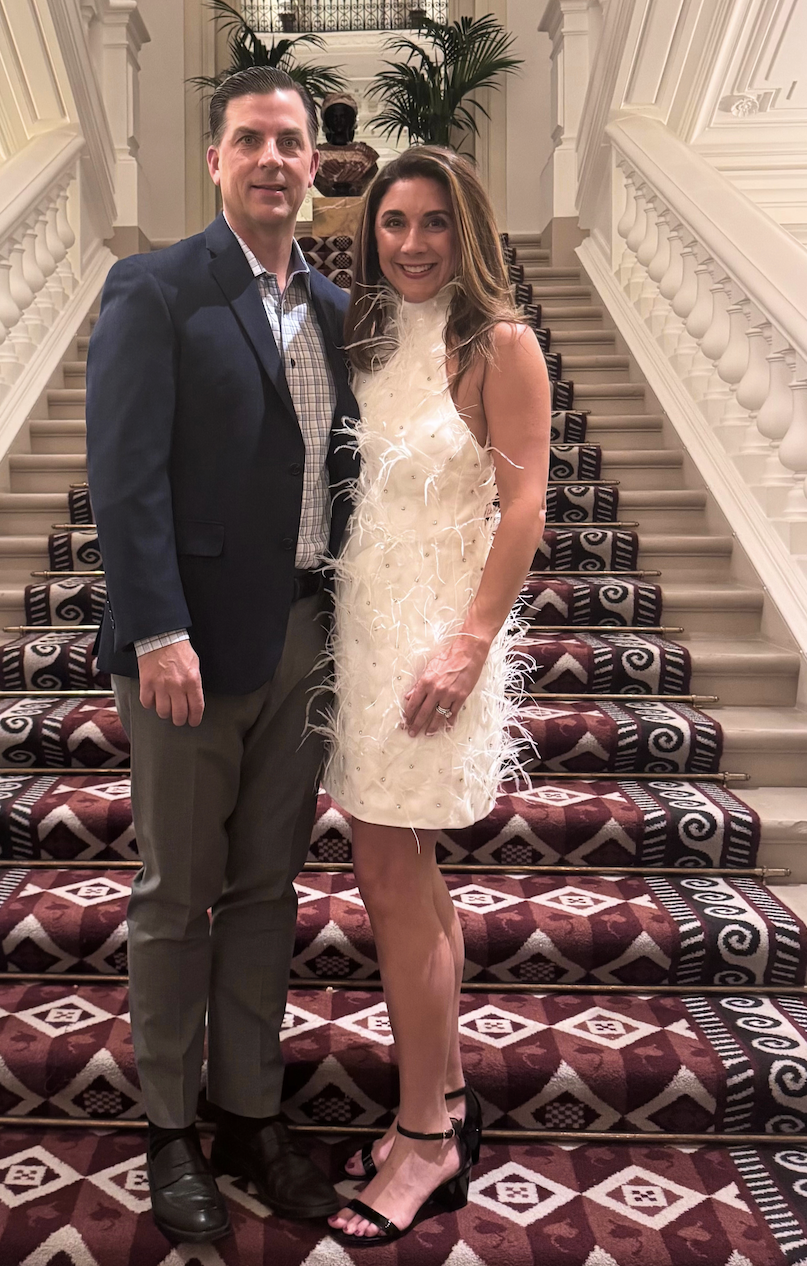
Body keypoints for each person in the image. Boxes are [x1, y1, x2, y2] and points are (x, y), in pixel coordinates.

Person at [85, 66, 358, 1243]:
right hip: (188, 649)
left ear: (313, 161)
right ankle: (168, 1131)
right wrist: (156, 627)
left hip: (305, 635)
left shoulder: (342, 313)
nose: (270, 160)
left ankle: (250, 1113)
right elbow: (124, 475)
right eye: (248, 139)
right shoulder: (155, 290)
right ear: (214, 160)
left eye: (288, 142)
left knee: (264, 894)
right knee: (175, 895)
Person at [323, 146, 551, 1245]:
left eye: (433, 223)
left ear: (470, 232)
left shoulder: (498, 345)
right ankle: (448, 1099)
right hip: (362, 638)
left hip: (431, 648)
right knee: (406, 876)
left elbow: (523, 509)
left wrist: (465, 648)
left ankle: (421, 1141)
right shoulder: (368, 341)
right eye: (393, 222)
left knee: (389, 878)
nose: (411, 244)